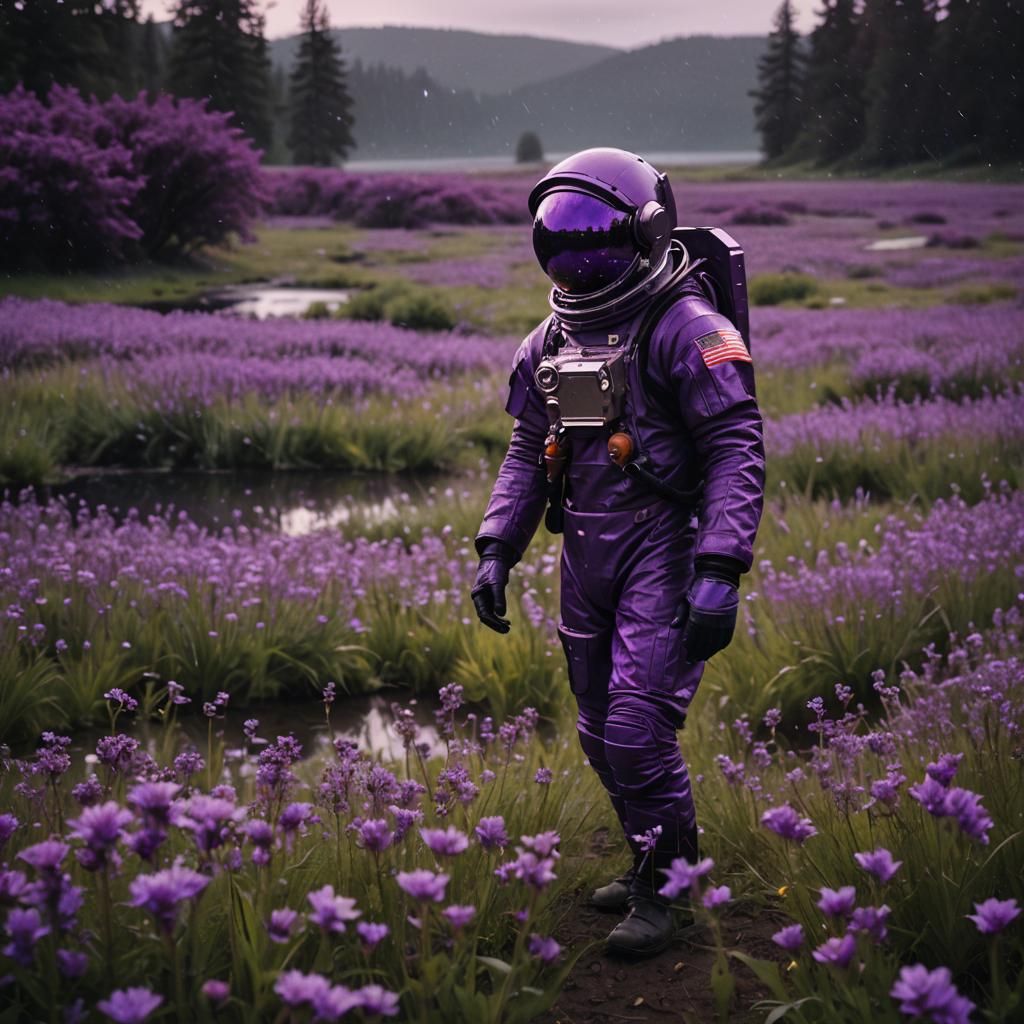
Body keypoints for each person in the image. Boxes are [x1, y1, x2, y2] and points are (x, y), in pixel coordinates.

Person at [471, 147, 765, 957]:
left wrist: (720, 566)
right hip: (586, 553)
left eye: (593, 240)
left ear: (645, 232)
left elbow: (735, 445)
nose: (577, 260)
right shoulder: (549, 339)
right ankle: (650, 861)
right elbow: (528, 449)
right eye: (559, 242)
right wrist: (498, 546)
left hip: (664, 548)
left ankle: (670, 889)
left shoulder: (688, 328)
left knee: (637, 728)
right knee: (600, 732)